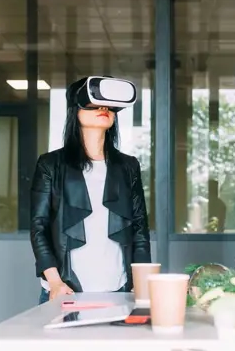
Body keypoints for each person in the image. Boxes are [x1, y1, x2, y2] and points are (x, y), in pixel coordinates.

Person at [30, 76, 151, 303]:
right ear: (75, 110)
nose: (103, 108)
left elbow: (139, 230)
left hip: (119, 288)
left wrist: (141, 283)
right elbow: (39, 228)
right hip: (66, 289)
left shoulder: (128, 166)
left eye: (108, 106)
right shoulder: (50, 165)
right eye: (95, 103)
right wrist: (55, 282)